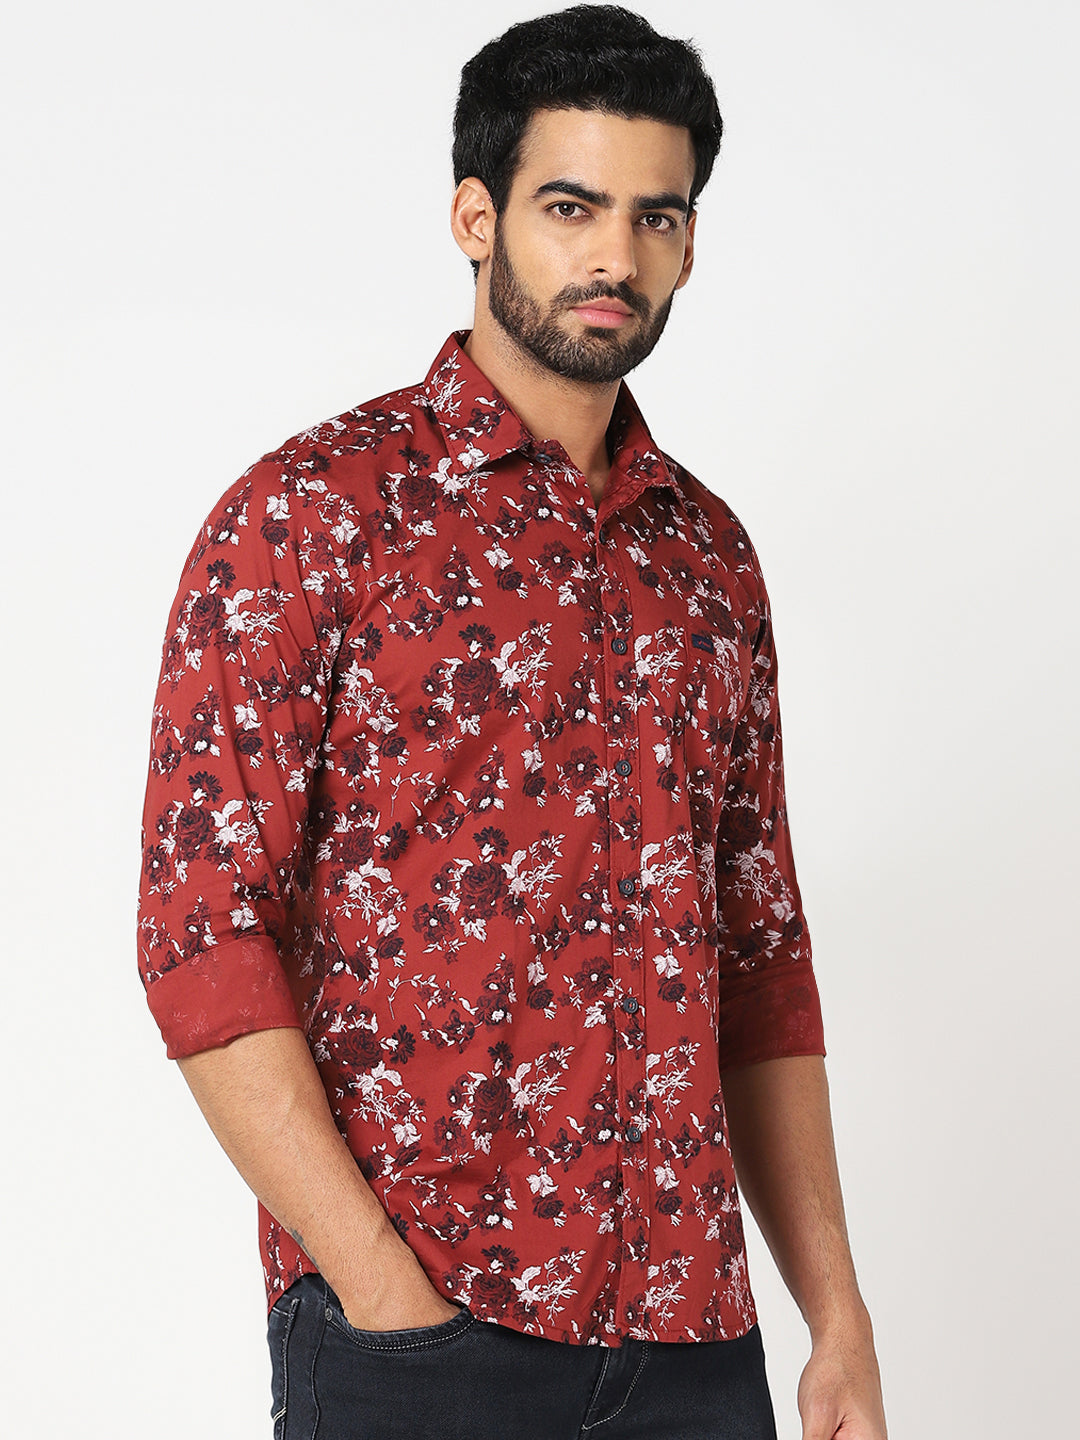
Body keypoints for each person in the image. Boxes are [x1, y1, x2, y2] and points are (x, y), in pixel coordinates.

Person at [137, 6, 888, 1438]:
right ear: (475, 217)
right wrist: (381, 1293)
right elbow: (201, 942)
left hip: (694, 1346)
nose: (617, 258)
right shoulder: (308, 520)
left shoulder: (710, 562)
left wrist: (836, 1318)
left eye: (657, 216)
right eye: (570, 207)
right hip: (423, 1338)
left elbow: (761, 963)